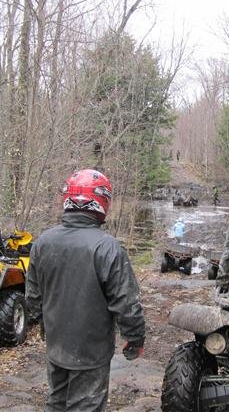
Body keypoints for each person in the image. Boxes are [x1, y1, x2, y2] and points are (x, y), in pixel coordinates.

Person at [26, 169, 146, 412]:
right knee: (86, 406)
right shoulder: (108, 247)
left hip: (57, 342)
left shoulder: (42, 242)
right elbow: (126, 301)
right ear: (102, 202)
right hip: (91, 348)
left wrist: (43, 323)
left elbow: (33, 296)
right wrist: (135, 337)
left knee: (57, 402)